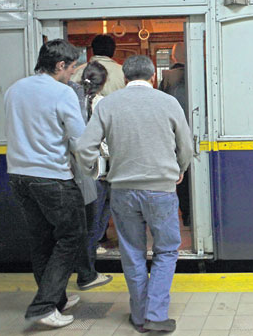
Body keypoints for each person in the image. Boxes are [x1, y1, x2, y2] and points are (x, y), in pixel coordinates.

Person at [75, 55, 193, 333]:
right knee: (165, 251)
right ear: (153, 76)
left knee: (132, 252)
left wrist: (96, 170)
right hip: (161, 190)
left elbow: (84, 147)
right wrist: (180, 169)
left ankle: (139, 316)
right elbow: (185, 146)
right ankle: (155, 314)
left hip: (123, 191)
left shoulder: (109, 104)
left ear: (125, 78)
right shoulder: (168, 102)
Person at [5, 39, 86, 328]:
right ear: (60, 65)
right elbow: (79, 138)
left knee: (41, 240)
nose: (73, 73)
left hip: (18, 176)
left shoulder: (15, 89)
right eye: (72, 67)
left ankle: (57, 298)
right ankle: (44, 304)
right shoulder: (61, 93)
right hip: (52, 177)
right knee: (71, 237)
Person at [70, 62, 115, 284]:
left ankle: (86, 266)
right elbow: (105, 140)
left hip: (80, 170)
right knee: (97, 220)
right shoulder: (102, 104)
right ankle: (87, 273)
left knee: (88, 221)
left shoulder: (72, 100)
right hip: (101, 170)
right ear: (103, 83)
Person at [159, 42, 191, 226]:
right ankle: (192, 215)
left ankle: (185, 213)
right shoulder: (200, 72)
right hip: (197, 131)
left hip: (173, 132)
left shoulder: (167, 78)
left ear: (173, 57)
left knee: (181, 178)